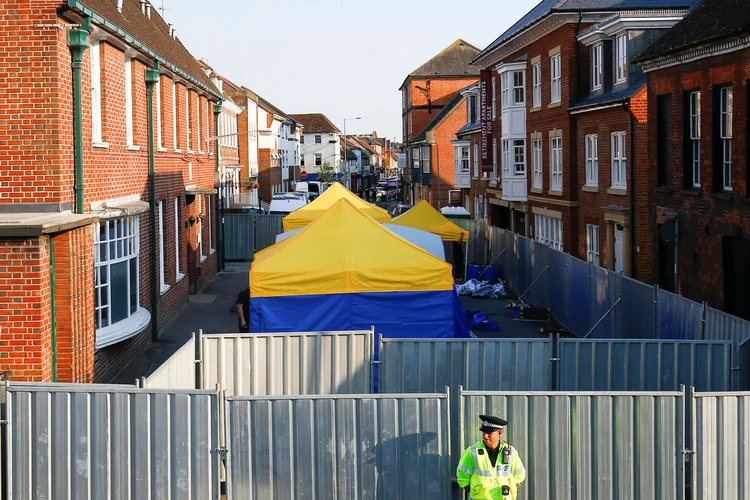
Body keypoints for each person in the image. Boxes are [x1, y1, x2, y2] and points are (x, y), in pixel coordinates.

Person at [456, 414, 526, 499]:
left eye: (489, 433)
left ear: (500, 433)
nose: (485, 436)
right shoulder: (472, 452)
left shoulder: (511, 452)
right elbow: (462, 478)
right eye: (484, 432)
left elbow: (520, 476)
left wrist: (510, 488)